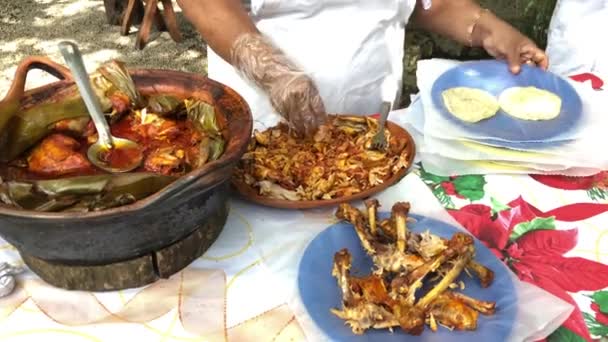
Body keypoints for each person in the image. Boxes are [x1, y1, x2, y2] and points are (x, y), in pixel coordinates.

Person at [177, 0, 549, 137]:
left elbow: (426, 3)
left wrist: (486, 28)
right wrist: (270, 70)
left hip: (373, 119)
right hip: (263, 119)